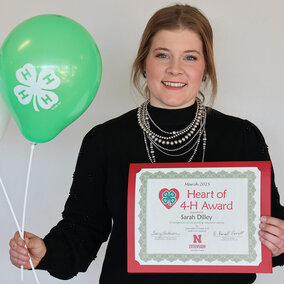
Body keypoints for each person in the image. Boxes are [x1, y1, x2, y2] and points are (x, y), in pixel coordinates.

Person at [9, 4, 284, 284]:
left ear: (205, 68)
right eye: (162, 55)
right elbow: (83, 231)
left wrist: (281, 240)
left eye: (190, 57)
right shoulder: (104, 140)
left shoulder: (242, 137)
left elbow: (268, 232)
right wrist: (46, 252)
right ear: (143, 63)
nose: (175, 69)